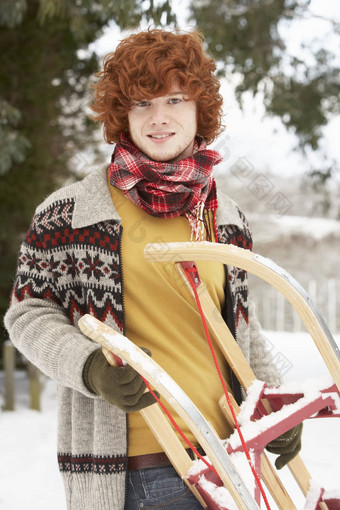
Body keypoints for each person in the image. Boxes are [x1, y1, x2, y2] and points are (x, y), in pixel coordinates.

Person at [4, 28, 302, 510]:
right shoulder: (71, 214)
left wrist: (275, 408)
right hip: (142, 468)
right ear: (121, 114)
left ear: (199, 109)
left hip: (231, 459)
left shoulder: (226, 217)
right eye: (142, 103)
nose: (159, 118)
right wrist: (91, 368)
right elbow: (27, 315)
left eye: (175, 99)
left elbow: (242, 329)